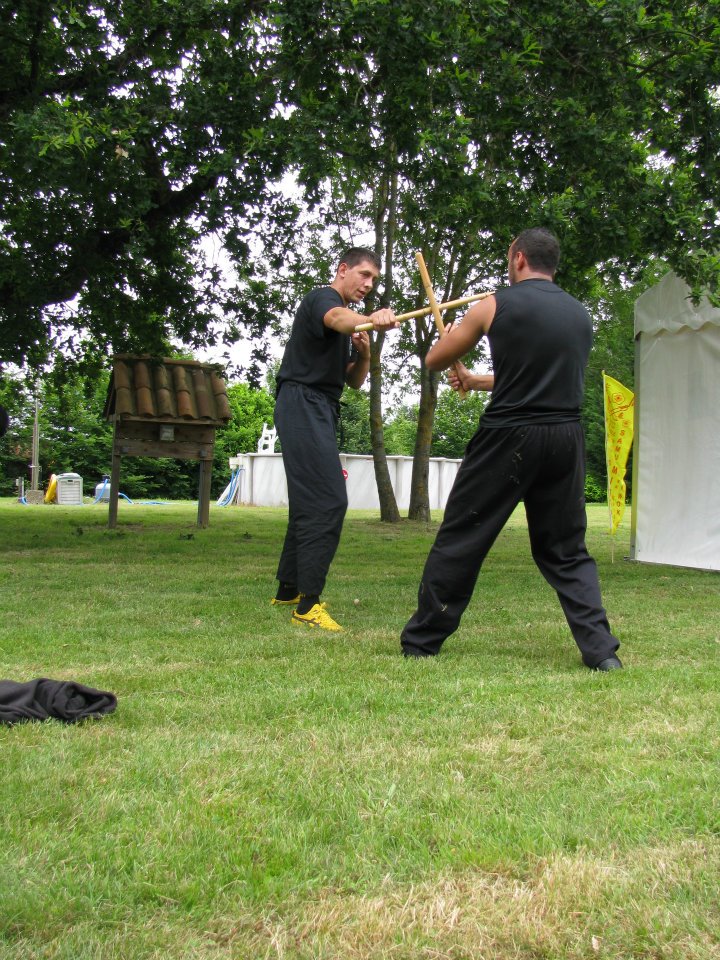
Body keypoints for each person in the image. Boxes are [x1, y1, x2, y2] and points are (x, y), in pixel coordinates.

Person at [401, 228, 622, 671]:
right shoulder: (579, 315)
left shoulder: (493, 304)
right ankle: (601, 652)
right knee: (566, 549)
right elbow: (533, 378)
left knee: (463, 536)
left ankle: (422, 642)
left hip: (508, 436)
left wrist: (452, 345)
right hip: (564, 437)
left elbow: (436, 359)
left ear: (519, 258)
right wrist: (476, 380)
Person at [272, 247, 398, 631]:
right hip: (302, 401)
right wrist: (371, 319)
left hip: (320, 406)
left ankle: (289, 589)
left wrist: (365, 355)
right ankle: (308, 605)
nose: (368, 284)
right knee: (329, 500)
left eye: (374, 280)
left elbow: (354, 381)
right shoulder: (324, 299)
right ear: (343, 269)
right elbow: (338, 318)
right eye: (364, 274)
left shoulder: (346, 326)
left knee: (308, 501)